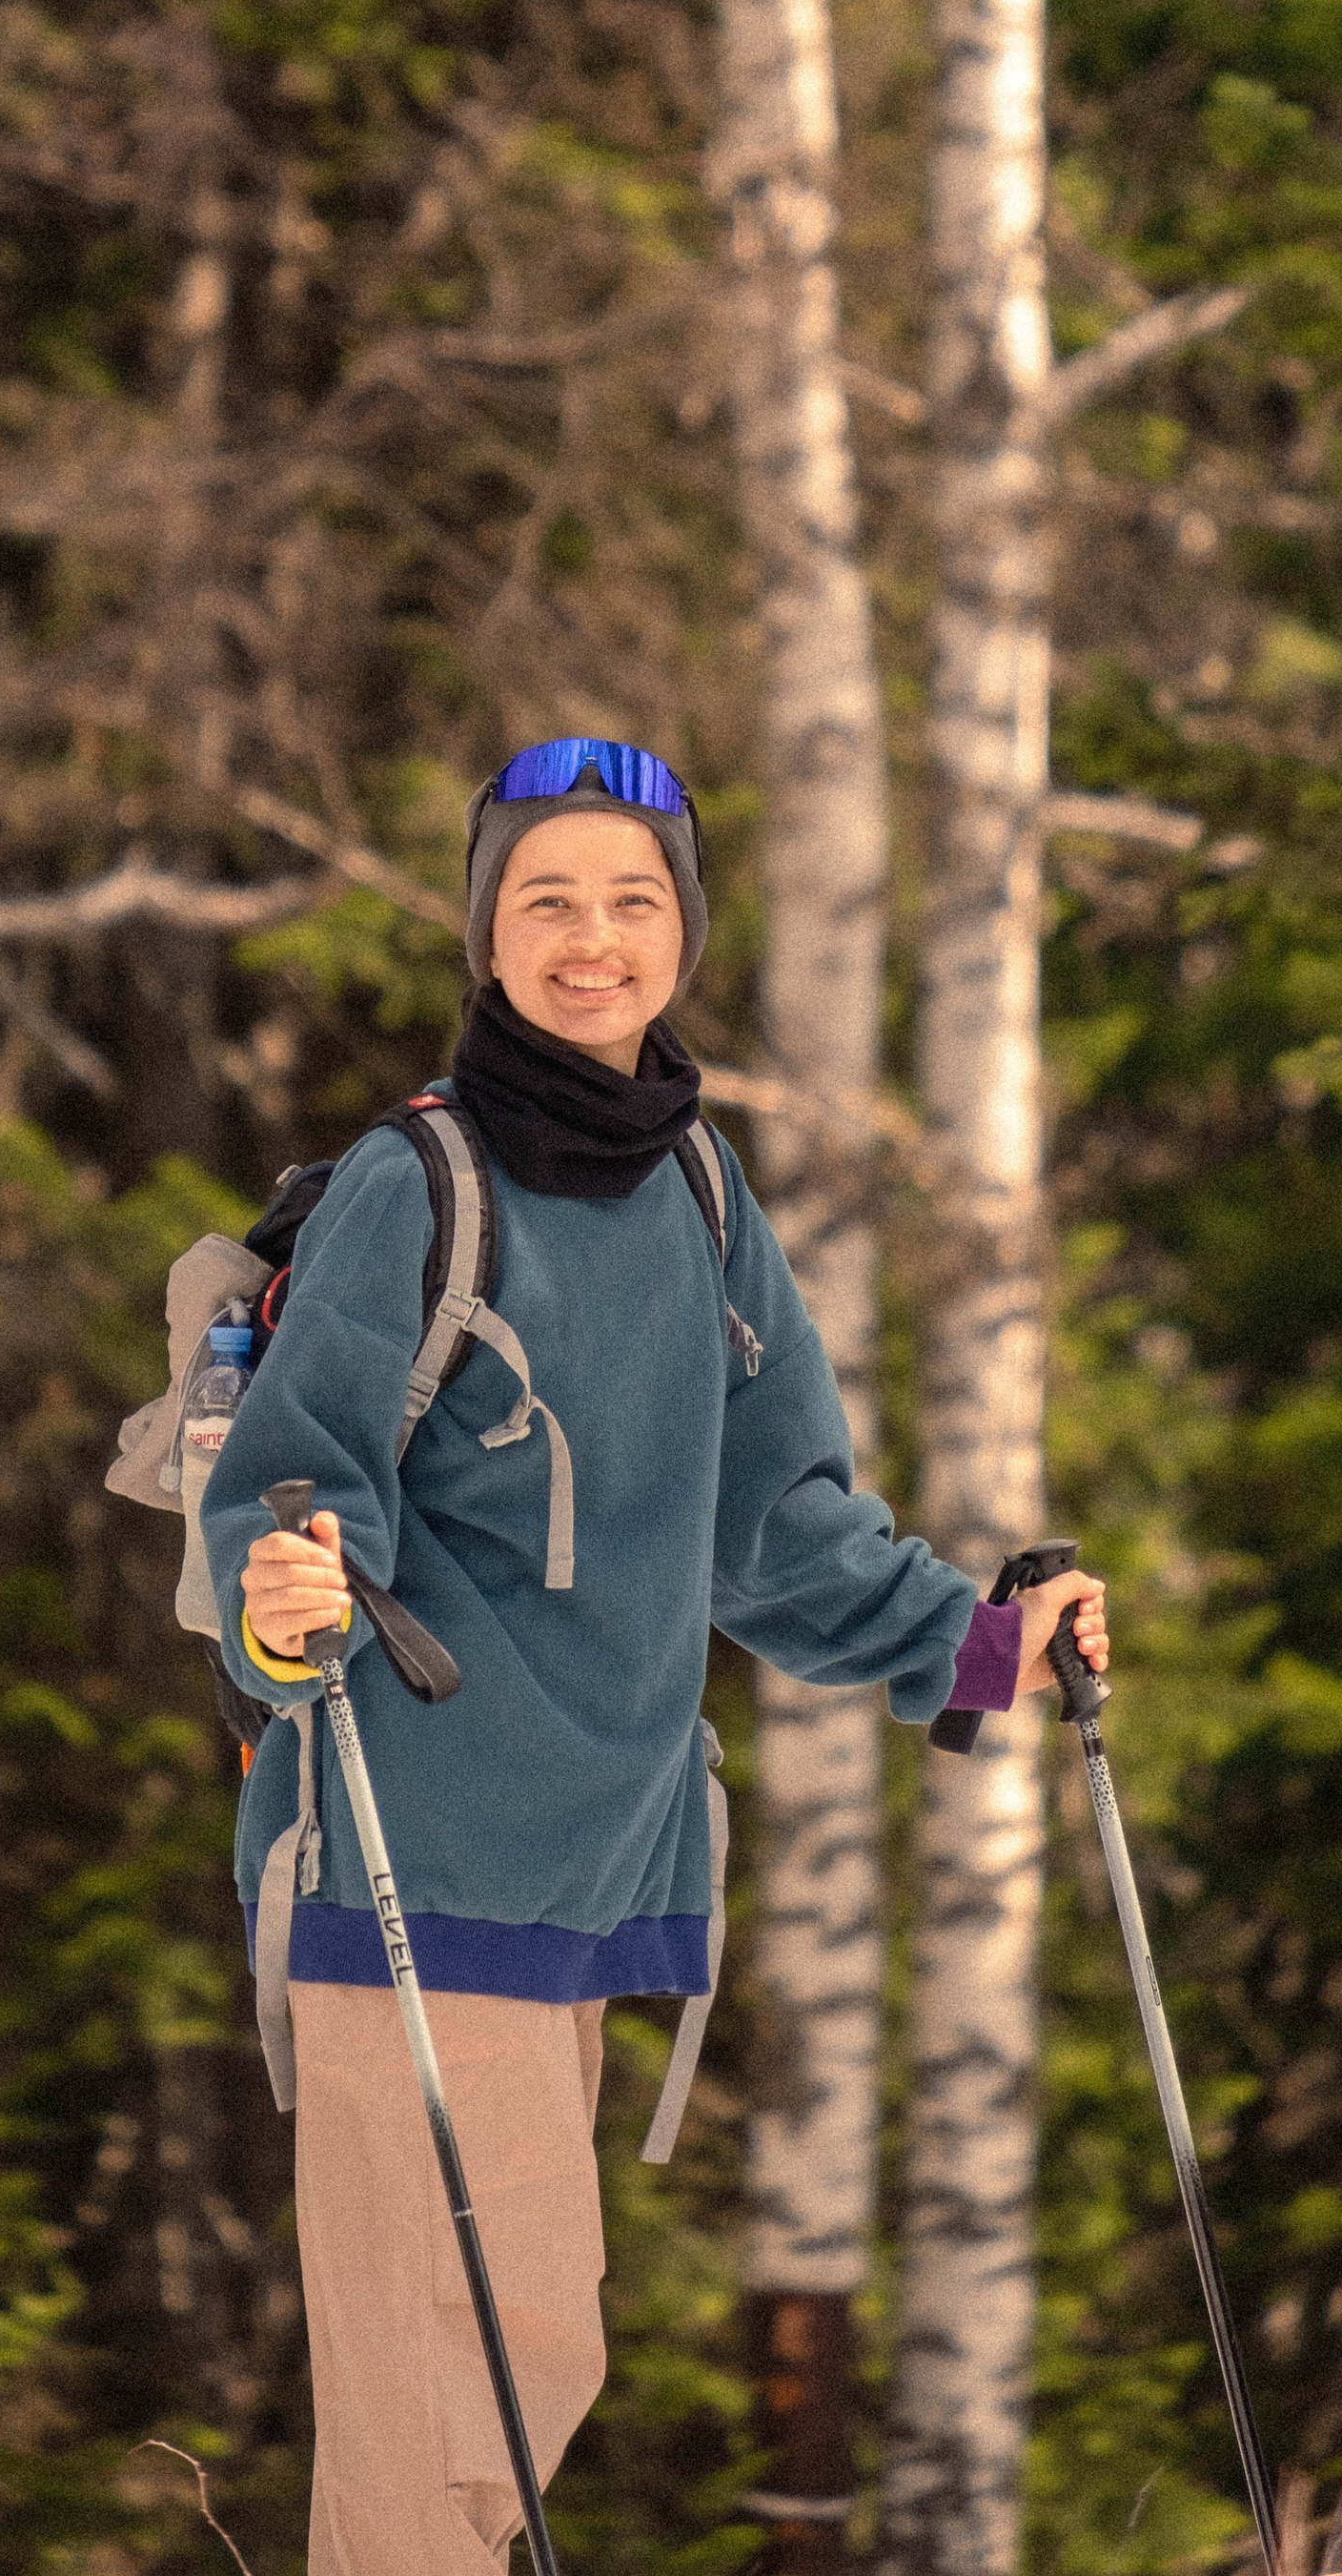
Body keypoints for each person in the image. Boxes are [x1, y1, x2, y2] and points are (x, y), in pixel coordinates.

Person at [200, 737, 1107, 2576]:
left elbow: (771, 1519)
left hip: (590, 1860)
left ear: (683, 929)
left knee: (527, 2366)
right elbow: (292, 1490)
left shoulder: (696, 1188)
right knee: (430, 2404)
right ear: (486, 933)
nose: (591, 938)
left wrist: (978, 1646)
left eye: (632, 899)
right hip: (407, 1849)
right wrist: (280, 1599)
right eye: (547, 900)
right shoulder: (414, 1183)